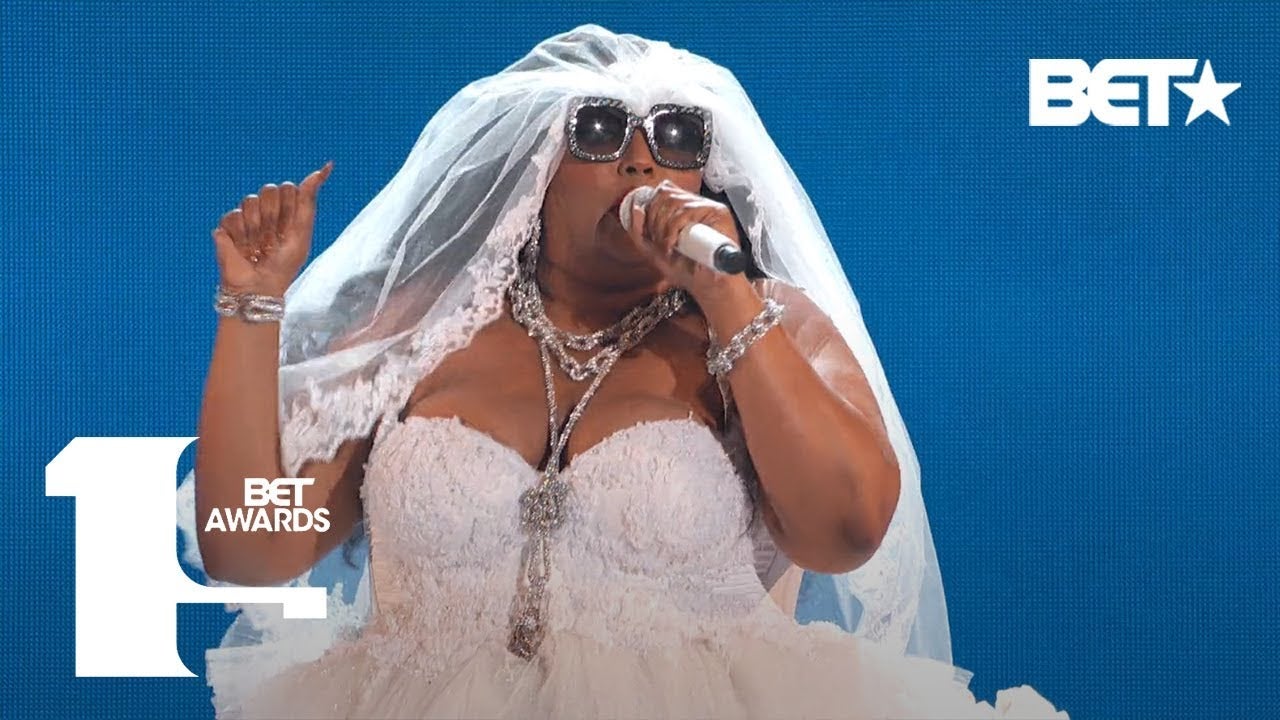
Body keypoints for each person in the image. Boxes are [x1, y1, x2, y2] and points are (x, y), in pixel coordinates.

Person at [177, 24, 1069, 719]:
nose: (642, 159)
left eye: (677, 135)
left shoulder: (773, 324)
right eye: (600, 130)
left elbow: (844, 533)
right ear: (534, 162)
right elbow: (247, 544)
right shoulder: (421, 329)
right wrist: (251, 307)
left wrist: (726, 300)